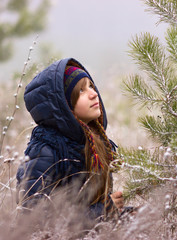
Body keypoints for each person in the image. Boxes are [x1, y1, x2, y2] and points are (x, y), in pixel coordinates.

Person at [16, 58, 124, 222]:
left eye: (91, 86)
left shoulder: (96, 144)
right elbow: (34, 219)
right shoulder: (46, 151)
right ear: (64, 105)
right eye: (81, 91)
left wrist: (125, 213)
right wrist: (105, 211)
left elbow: (90, 207)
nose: (94, 94)